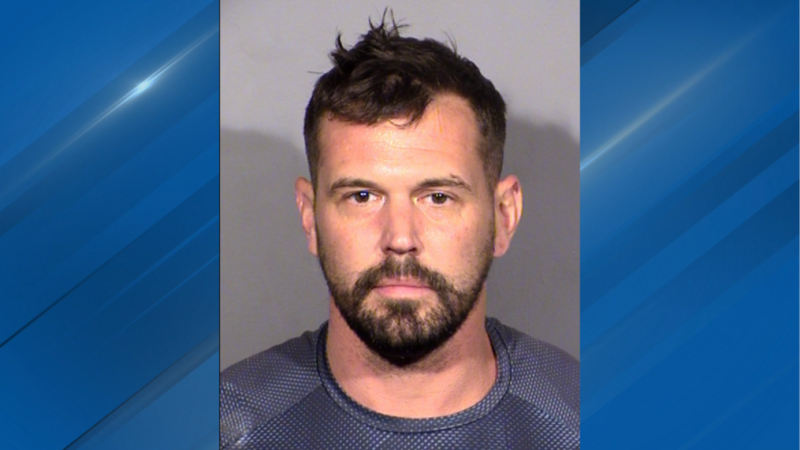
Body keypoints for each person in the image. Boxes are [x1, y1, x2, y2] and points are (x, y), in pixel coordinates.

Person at [220, 13, 579, 449]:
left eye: (438, 197)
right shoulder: (227, 426)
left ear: (504, 215)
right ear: (310, 216)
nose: (400, 238)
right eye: (362, 196)